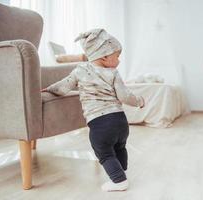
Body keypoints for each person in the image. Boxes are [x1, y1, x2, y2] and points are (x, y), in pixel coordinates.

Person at [41, 29, 145, 192]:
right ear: (104, 56)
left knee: (103, 152)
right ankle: (121, 170)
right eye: (117, 56)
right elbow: (125, 96)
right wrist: (139, 101)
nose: (118, 60)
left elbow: (64, 86)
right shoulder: (113, 73)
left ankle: (118, 180)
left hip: (100, 123)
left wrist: (50, 89)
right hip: (120, 121)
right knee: (119, 146)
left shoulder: (80, 70)